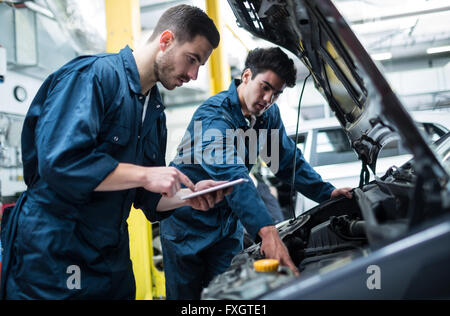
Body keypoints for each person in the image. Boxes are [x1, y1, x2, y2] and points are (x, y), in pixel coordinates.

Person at [0, 4, 230, 300]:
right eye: (192, 59)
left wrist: (189, 197)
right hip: (56, 249)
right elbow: (60, 163)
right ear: (166, 40)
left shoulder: (154, 111)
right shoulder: (94, 76)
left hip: (108, 253)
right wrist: (146, 175)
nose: (194, 75)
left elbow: (146, 199)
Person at [160, 47, 353, 299]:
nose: (268, 99)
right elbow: (232, 176)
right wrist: (267, 232)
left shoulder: (267, 115)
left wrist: (326, 192)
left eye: (276, 93)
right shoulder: (213, 118)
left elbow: (286, 161)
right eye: (265, 87)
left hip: (226, 225)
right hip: (187, 226)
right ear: (247, 76)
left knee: (230, 295)